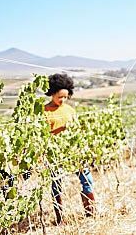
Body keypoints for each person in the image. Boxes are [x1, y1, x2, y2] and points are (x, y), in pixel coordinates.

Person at [44, 73, 95, 226]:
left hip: (73, 151)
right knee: (56, 185)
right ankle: (60, 220)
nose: (63, 100)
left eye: (66, 97)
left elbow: (77, 130)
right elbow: (43, 135)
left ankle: (90, 215)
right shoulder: (44, 112)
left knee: (87, 179)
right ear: (52, 93)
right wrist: (61, 129)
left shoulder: (69, 110)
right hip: (55, 154)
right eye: (60, 97)